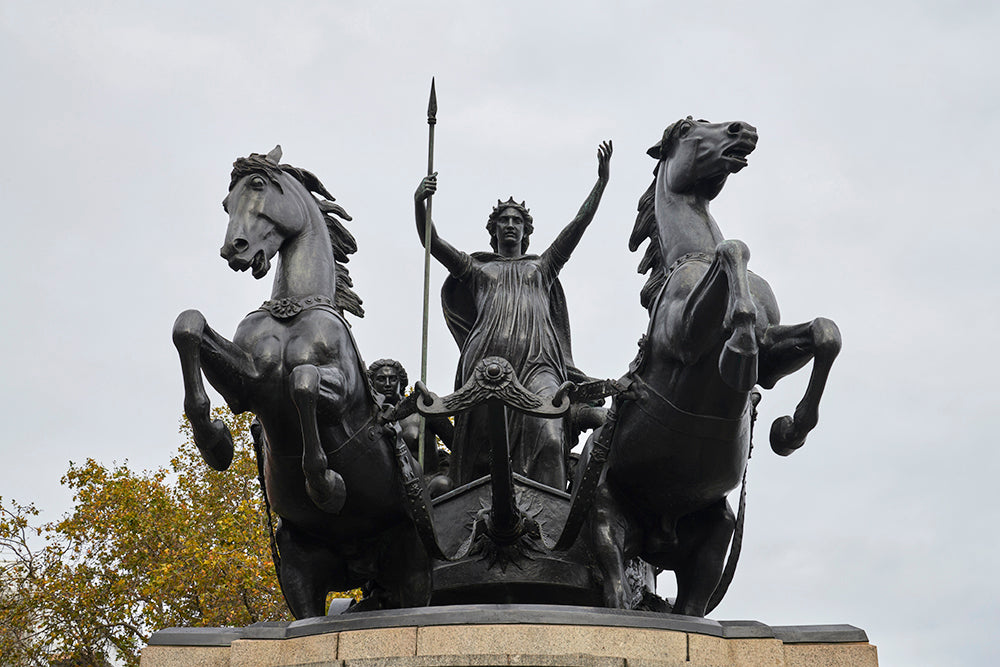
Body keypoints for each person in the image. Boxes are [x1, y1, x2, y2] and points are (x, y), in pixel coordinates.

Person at [414, 141, 612, 490]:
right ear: (493, 230)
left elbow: (577, 226)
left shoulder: (543, 266)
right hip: (487, 364)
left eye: (516, 221)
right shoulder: (477, 269)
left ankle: (549, 520)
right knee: (478, 455)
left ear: (525, 230)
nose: (509, 225)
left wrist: (601, 183)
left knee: (551, 437)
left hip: (539, 364)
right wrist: (419, 203)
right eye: (503, 220)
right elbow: (432, 241)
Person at [367, 358, 454, 497]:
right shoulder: (367, 421)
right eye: (381, 379)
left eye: (393, 379)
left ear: (401, 383)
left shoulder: (422, 410)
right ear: (372, 385)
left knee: (442, 485)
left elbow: (456, 443)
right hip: (389, 490)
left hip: (429, 482)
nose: (388, 384)